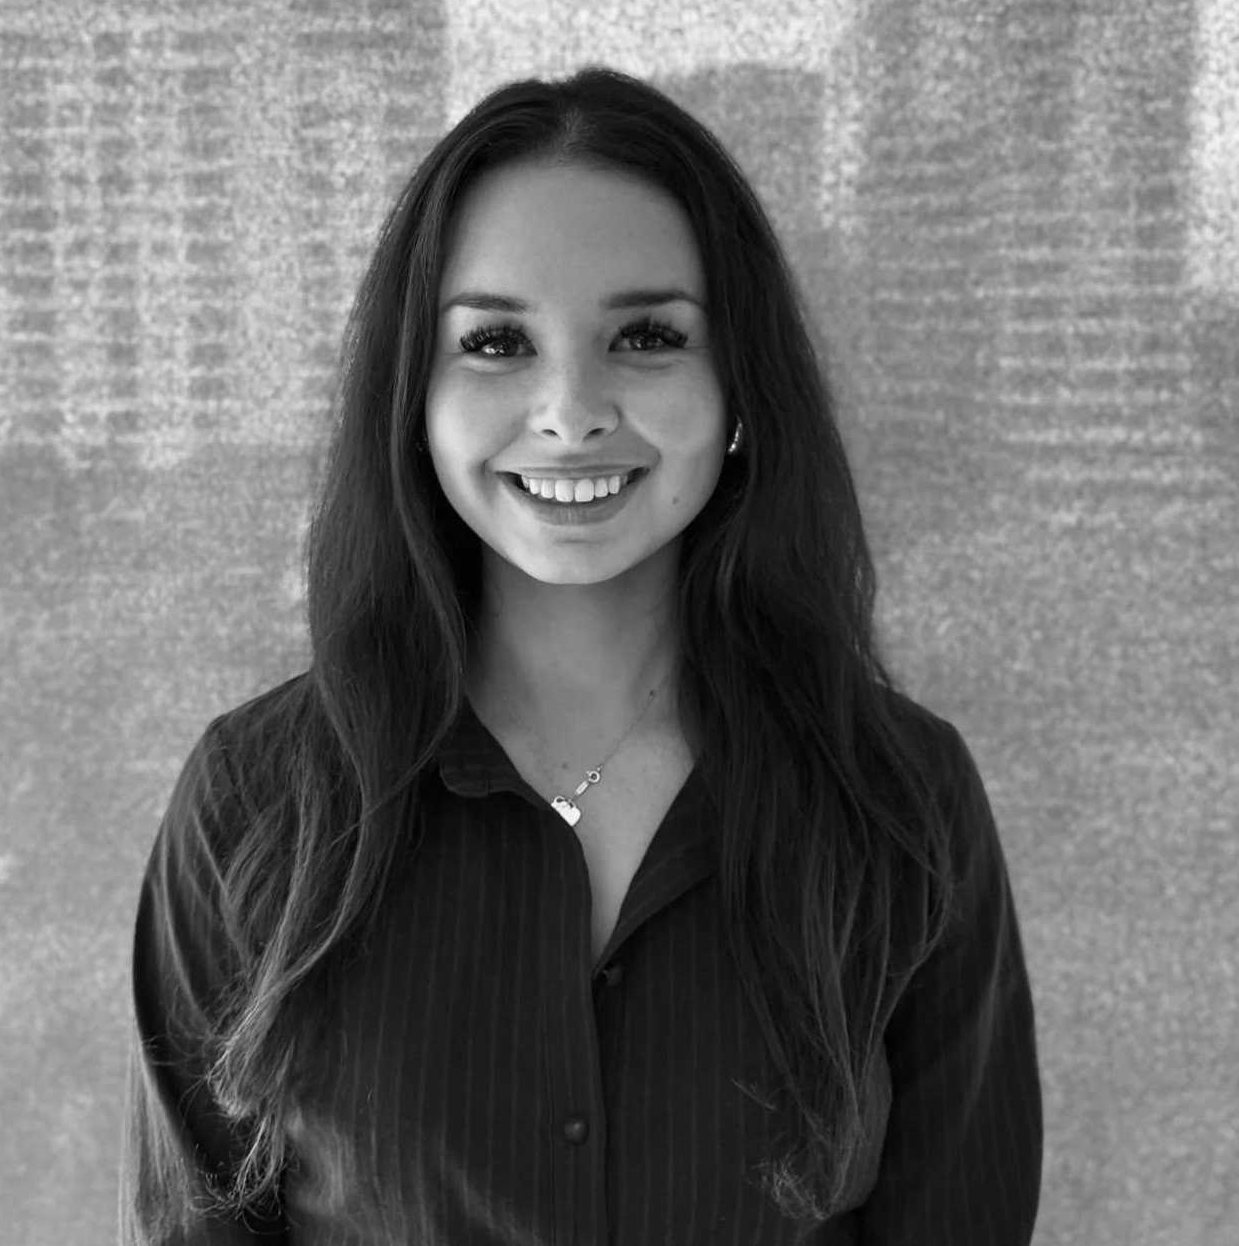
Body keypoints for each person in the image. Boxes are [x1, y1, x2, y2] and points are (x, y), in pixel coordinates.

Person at [120, 67, 1043, 1244]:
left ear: (739, 386)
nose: (570, 408)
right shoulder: (257, 800)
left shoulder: (902, 798)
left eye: (647, 336)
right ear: (416, 396)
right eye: (497, 342)